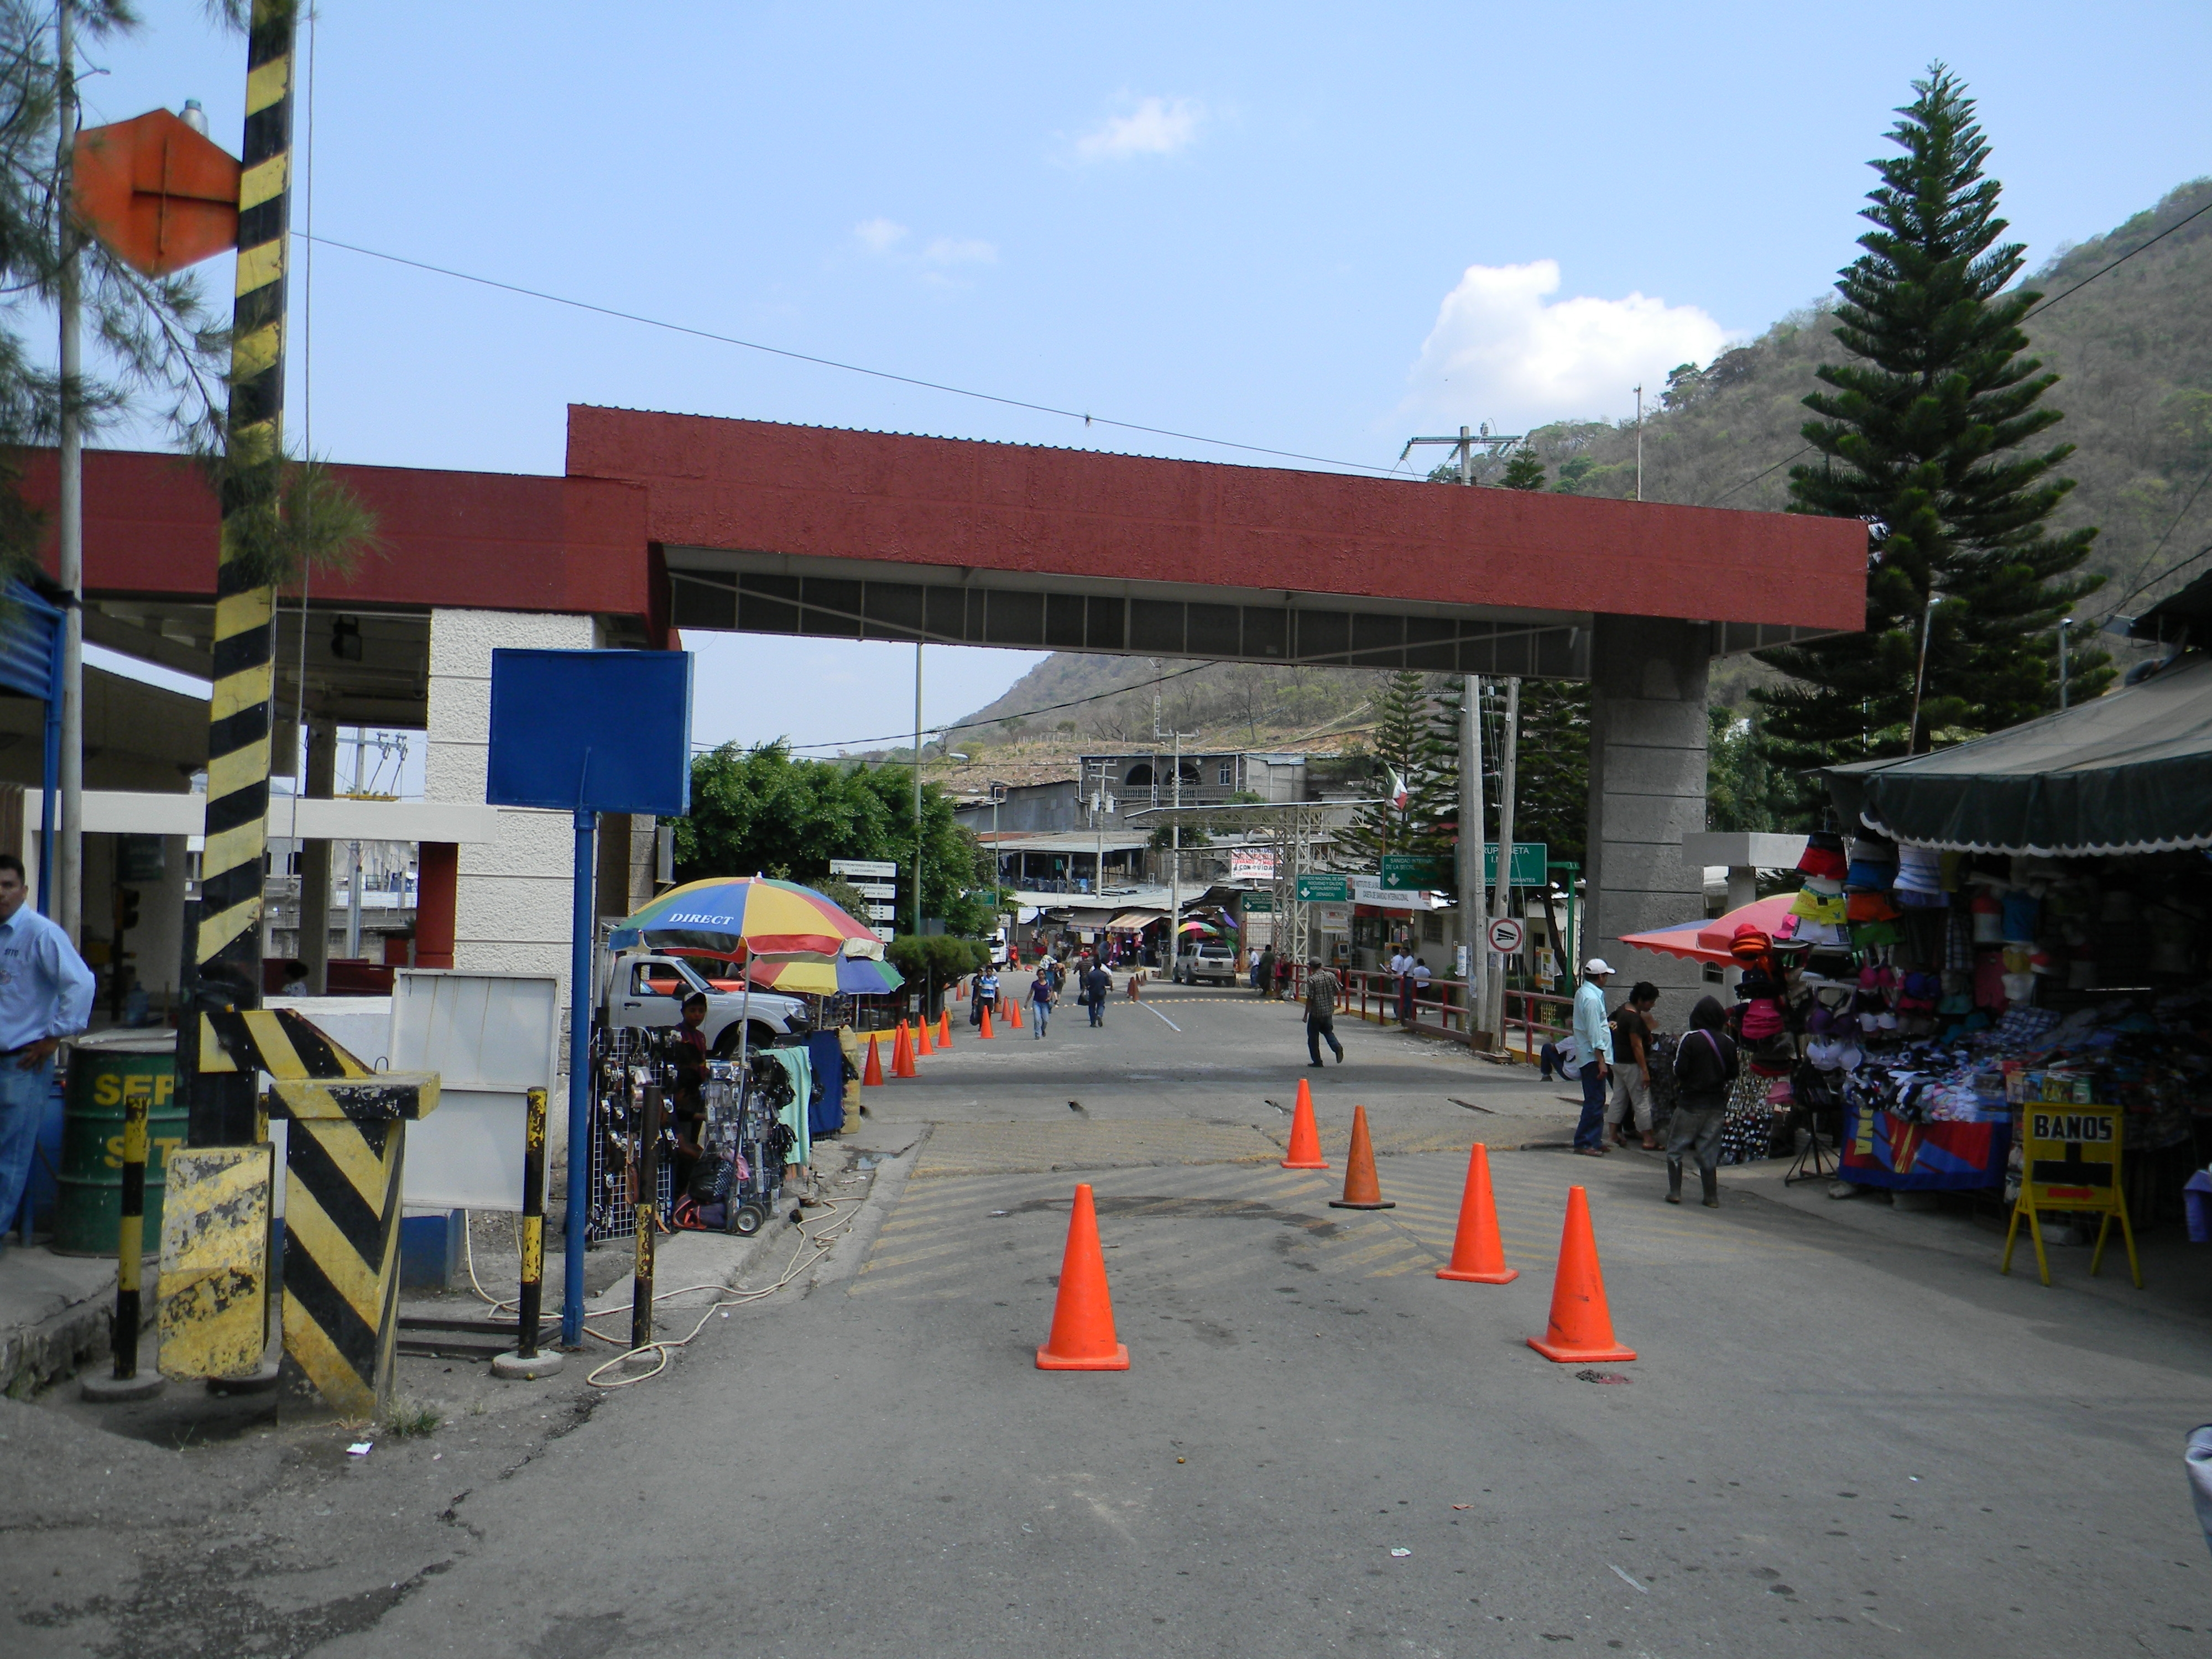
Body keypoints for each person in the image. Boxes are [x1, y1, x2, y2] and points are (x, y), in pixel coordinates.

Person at [0, 854, 93, 1250]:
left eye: (7, 886)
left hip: (22, 1062)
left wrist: (55, 1037)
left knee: (10, 1156)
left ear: (23, 891)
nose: (1, 893)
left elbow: (81, 984)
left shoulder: (41, 934)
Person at [1667, 995, 1738, 1207]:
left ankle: (1675, 1192)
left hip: (1690, 1102)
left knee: (1676, 1148)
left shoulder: (1690, 1039)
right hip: (1716, 1104)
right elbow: (1733, 1074)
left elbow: (1680, 1070)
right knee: (1709, 1150)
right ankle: (1711, 1197)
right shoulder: (1729, 1043)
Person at [1606, 980, 1662, 1150]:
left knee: (1619, 1098)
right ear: (1641, 1000)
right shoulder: (1634, 1019)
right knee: (1641, 1101)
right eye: (1651, 1002)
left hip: (1617, 1061)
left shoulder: (1622, 1010)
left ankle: (1613, 1134)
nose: (1653, 1005)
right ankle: (1648, 1139)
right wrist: (1645, 1071)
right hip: (1632, 1064)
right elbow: (1637, 1046)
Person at [667, 992, 712, 1197]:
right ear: (683, 1012)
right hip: (682, 1097)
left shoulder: (701, 1037)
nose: (697, 1015)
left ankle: (686, 1188)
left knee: (693, 1140)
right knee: (682, 1145)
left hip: (696, 1096)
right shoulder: (677, 1035)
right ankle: (677, 1190)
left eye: (701, 1011)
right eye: (693, 1011)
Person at [1571, 958, 1616, 1156]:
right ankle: (1585, 1141)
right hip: (1592, 1057)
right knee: (1594, 1100)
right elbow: (1594, 1032)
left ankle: (1594, 1140)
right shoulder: (1591, 999)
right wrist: (1601, 1061)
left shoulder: (1586, 993)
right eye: (1605, 975)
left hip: (1590, 1054)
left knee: (1597, 1099)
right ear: (1601, 976)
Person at [1305, 957, 1344, 1066]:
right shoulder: (1330, 976)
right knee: (1328, 1031)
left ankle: (1317, 1061)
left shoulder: (1312, 979)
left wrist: (1306, 1014)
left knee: (1313, 1037)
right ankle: (1337, 1047)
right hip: (1328, 1011)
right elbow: (1339, 990)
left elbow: (1310, 998)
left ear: (1311, 967)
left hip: (1316, 1013)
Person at [1084, 959, 1112, 1026]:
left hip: (1092, 992)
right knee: (1101, 1005)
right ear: (1100, 966)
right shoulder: (1104, 974)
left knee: (1092, 1007)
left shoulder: (1090, 974)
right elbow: (1108, 984)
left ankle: (1093, 1022)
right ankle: (1099, 1015)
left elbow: (1087, 983)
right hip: (1101, 992)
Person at [1027, 967, 1053, 1038]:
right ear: (1037, 975)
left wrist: (1049, 998)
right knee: (1037, 1019)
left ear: (1045, 975)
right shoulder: (1035, 984)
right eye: (1039, 975)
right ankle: (1037, 1033)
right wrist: (1026, 1003)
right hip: (1036, 1003)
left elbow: (1051, 991)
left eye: (1042, 974)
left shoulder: (1048, 983)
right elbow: (1031, 993)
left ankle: (1043, 1029)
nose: (1041, 976)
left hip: (1045, 1003)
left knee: (1046, 1020)